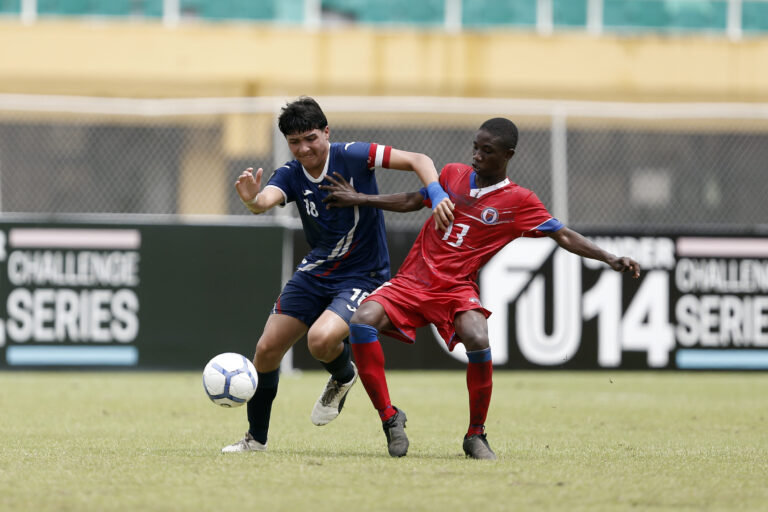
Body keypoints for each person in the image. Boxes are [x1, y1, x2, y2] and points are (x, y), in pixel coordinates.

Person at [320, 117, 641, 459]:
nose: (477, 156)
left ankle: (476, 434)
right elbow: (415, 199)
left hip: (456, 287)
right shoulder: (452, 174)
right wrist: (360, 198)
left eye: (487, 150)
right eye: (475, 147)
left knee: (477, 336)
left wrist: (609, 258)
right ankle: (389, 418)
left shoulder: (519, 201)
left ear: (508, 155)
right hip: (412, 280)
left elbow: (562, 234)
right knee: (362, 320)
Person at [221, 97, 454, 453]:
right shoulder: (291, 173)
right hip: (315, 271)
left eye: (311, 138)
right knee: (266, 350)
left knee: (320, 340)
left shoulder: (355, 155)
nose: (304, 148)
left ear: (326, 132)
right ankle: (255, 440)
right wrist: (251, 200)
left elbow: (419, 160)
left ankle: (343, 375)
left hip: (363, 275)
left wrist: (436, 194)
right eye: (295, 142)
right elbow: (263, 201)